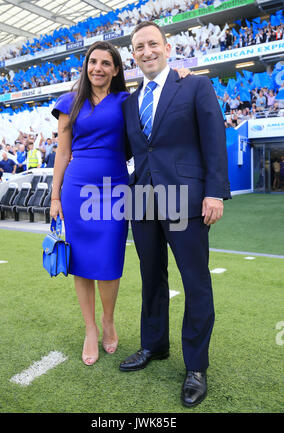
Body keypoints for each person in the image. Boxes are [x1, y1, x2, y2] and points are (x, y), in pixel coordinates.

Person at [50, 40, 191, 368]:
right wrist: (55, 196)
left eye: (105, 63)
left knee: (110, 259)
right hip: (76, 188)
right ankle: (90, 327)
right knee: (81, 261)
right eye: (92, 62)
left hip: (114, 188)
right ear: (86, 66)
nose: (97, 68)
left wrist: (181, 75)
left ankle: (109, 321)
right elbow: (62, 153)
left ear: (116, 70)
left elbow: (160, 100)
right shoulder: (69, 102)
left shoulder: (128, 100)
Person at [119, 21, 231, 408]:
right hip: (142, 201)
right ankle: (154, 346)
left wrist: (215, 192)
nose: (146, 51)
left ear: (167, 48)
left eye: (152, 44)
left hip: (186, 199)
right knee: (151, 277)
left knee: (195, 281)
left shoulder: (194, 84)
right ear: (133, 55)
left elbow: (214, 139)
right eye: (138, 47)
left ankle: (196, 366)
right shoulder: (131, 101)